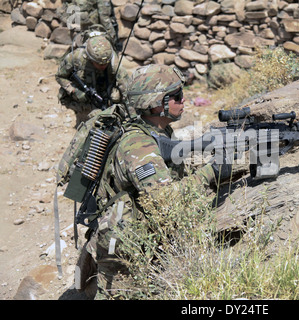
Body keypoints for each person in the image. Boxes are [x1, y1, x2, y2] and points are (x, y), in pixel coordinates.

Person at [75, 64, 232, 298]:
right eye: (176, 96)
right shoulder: (139, 147)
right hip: (121, 245)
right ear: (157, 103)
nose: (183, 100)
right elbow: (167, 201)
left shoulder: (156, 131)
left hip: (138, 230)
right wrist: (212, 172)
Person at [55, 35, 129, 126]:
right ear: (89, 58)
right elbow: (60, 76)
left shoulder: (114, 63)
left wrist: (130, 113)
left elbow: (126, 88)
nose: (103, 66)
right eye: (98, 63)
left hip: (104, 97)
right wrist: (74, 90)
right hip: (83, 100)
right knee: (84, 127)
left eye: (106, 63)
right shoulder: (75, 58)